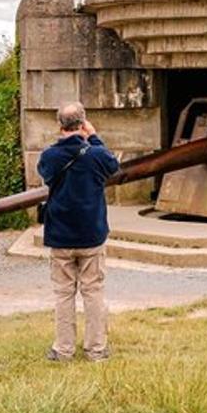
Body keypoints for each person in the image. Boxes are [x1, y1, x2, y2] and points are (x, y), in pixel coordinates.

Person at [37, 101, 119, 362]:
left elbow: (46, 176)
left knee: (63, 294)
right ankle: (96, 349)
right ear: (82, 123)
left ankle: (63, 349)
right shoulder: (96, 154)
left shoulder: (49, 157)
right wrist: (93, 136)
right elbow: (113, 166)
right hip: (91, 233)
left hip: (60, 234)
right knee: (93, 292)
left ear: (60, 125)